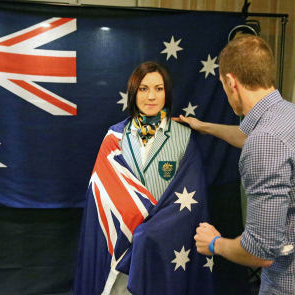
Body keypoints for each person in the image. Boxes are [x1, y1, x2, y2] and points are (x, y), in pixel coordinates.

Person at [179, 34, 295, 294]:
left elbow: (260, 252)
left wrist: (214, 243)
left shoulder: (265, 142)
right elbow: (250, 137)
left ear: (231, 82)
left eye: (222, 84)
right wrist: (205, 127)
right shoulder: (294, 115)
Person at [74, 61, 213, 295]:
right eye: (144, 89)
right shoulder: (115, 137)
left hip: (163, 247)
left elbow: (193, 199)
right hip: (120, 249)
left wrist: (149, 233)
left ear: (167, 93)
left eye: (159, 89)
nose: (151, 96)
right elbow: (99, 200)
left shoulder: (183, 137)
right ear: (133, 92)